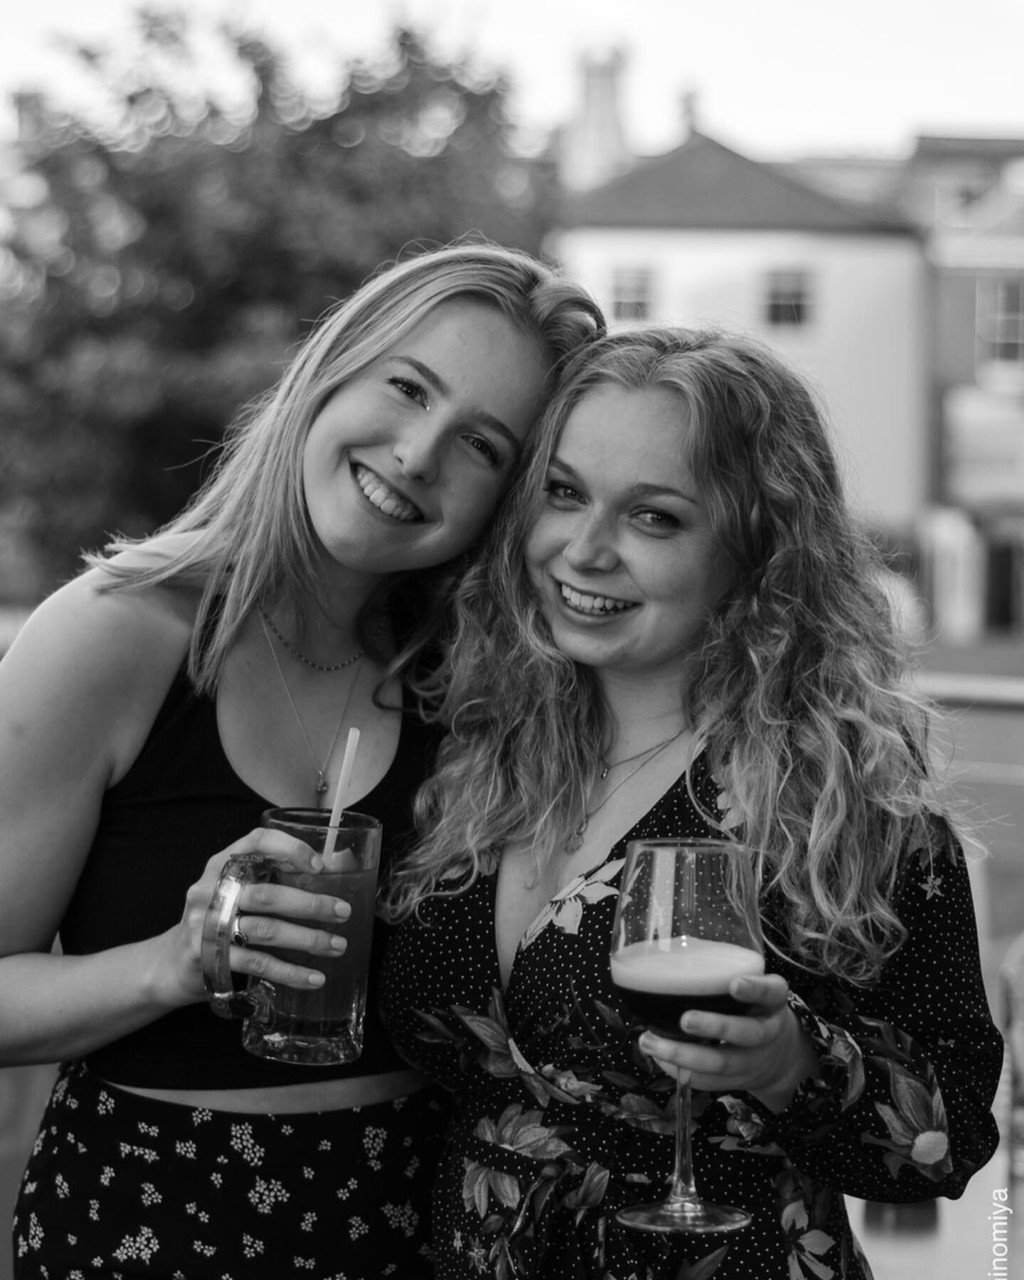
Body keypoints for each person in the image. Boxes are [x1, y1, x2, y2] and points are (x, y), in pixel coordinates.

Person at [0, 241, 603, 1279]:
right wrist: (171, 963)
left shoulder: (475, 684)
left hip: (416, 1231)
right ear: (331, 371)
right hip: (152, 1219)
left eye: (481, 445)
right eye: (406, 387)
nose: (417, 454)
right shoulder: (114, 634)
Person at [381, 326, 1003, 1279]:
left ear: (757, 549)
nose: (584, 550)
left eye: (654, 518)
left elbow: (949, 1139)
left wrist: (794, 1064)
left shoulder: (840, 800)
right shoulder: (474, 741)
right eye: (564, 493)